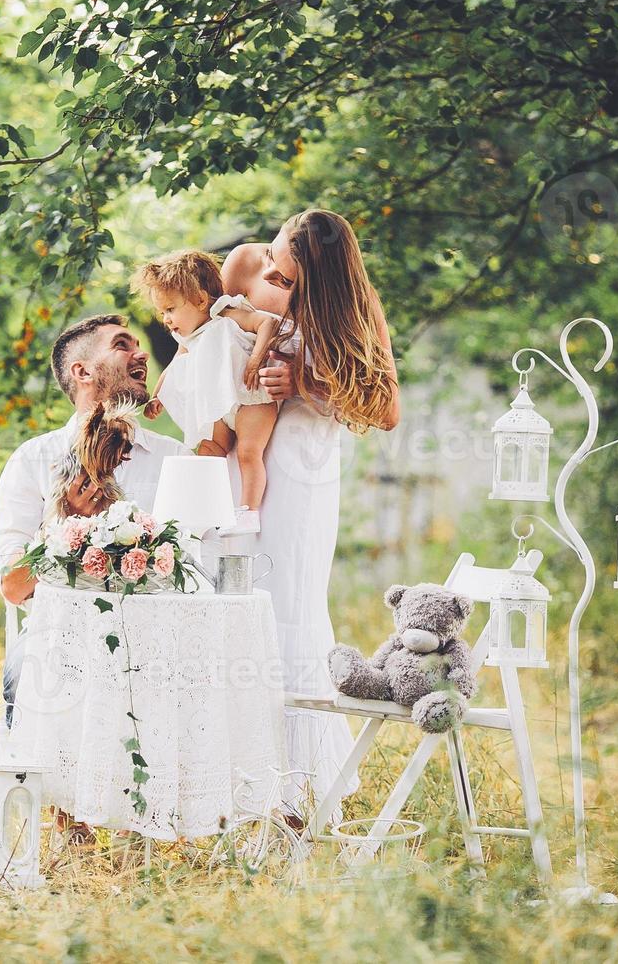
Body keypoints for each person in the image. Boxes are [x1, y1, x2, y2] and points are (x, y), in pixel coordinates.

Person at [221, 208, 401, 811]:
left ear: (320, 281)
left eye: (288, 275)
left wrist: (303, 384)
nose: (272, 275)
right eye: (273, 259)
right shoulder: (251, 265)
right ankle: (229, 780)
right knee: (231, 602)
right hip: (238, 464)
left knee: (287, 608)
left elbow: (386, 410)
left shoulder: (356, 310)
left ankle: (295, 794)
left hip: (301, 476)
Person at [0, 314, 187, 704]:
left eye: (136, 345)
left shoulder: (175, 459)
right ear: (82, 371)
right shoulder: (33, 459)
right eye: (121, 345)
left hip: (160, 645)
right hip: (57, 645)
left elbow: (202, 566)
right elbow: (13, 587)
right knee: (22, 674)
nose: (142, 354)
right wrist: (67, 524)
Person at [129, 250, 280, 533]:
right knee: (208, 451)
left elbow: (266, 323)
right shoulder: (186, 336)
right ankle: (202, 511)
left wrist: (257, 358)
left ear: (200, 299)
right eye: (162, 312)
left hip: (251, 399)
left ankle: (249, 512)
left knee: (249, 452)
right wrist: (157, 396)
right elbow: (175, 365)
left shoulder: (227, 313)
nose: (165, 319)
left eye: (170, 309)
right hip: (219, 405)